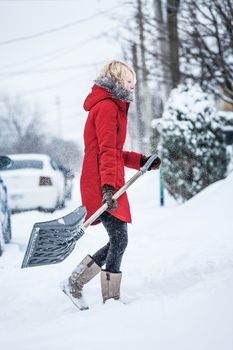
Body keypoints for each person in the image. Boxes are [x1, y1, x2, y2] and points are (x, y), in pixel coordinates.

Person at [62, 60, 161, 310]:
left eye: (134, 83)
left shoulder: (113, 106)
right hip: (102, 181)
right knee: (119, 238)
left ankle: (77, 283)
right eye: (129, 82)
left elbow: (114, 151)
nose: (132, 87)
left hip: (109, 179)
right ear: (117, 81)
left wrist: (140, 160)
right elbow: (105, 151)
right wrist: (107, 187)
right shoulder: (106, 107)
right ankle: (102, 295)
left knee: (119, 239)